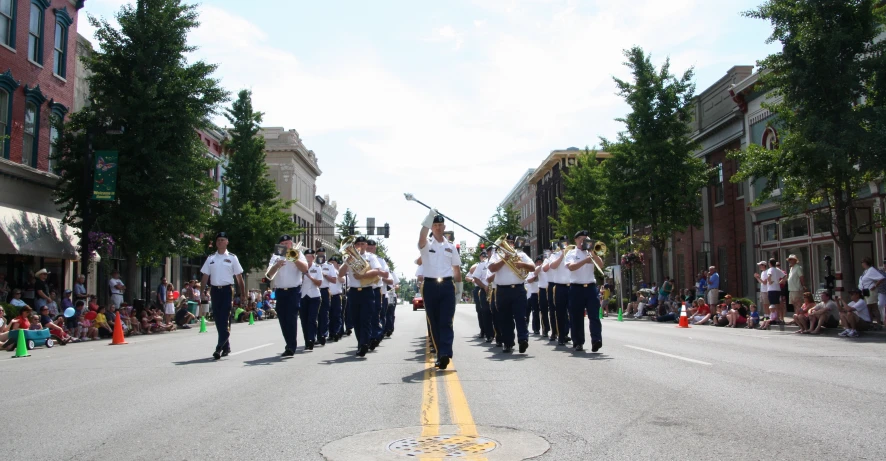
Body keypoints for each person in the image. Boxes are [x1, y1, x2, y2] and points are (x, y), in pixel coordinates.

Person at [417, 212, 462, 368]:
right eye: (434, 225)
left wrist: (460, 289)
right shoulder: (426, 244)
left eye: (440, 225)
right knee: (434, 321)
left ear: (444, 227)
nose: (437, 227)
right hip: (430, 286)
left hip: (447, 285)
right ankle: (439, 352)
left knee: (446, 321)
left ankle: (445, 353)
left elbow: (456, 269)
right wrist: (428, 218)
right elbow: (421, 237)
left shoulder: (450, 247)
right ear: (432, 227)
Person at [200, 232, 247, 360]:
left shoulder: (232, 258)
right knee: (217, 318)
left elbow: (239, 277)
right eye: (218, 240)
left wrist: (243, 294)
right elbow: (205, 277)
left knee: (224, 318)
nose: (220, 242)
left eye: (223, 240)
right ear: (216, 243)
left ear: (227, 242)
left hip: (227, 290)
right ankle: (226, 346)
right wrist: (201, 292)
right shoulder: (211, 258)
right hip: (215, 290)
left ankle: (219, 347)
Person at [488, 234, 534, 354]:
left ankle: (523, 340)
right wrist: (505, 260)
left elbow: (533, 267)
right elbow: (492, 268)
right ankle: (508, 343)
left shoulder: (521, 255)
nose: (509, 244)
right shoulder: (496, 255)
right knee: (505, 318)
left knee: (521, 317)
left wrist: (522, 264)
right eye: (507, 242)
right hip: (502, 291)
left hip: (518, 289)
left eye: (511, 242)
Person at [338, 236, 383, 358]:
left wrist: (362, 275)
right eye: (359, 244)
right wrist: (347, 262)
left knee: (365, 319)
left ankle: (364, 344)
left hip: (367, 291)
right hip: (353, 292)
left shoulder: (370, 257)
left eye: (363, 244)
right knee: (356, 320)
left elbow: (377, 271)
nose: (361, 246)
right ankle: (361, 343)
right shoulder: (349, 257)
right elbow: (340, 274)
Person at [265, 234, 309, 356]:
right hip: (279, 291)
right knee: (283, 319)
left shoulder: (297, 254)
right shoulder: (275, 256)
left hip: (293, 291)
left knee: (291, 318)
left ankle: (291, 346)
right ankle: (289, 342)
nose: (286, 246)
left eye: (288, 243)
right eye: (283, 244)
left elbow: (305, 269)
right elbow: (269, 275)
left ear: (292, 244)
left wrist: (294, 259)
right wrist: (276, 265)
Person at [565, 231, 605, 352]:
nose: (583, 242)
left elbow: (601, 265)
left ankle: (596, 340)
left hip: (591, 287)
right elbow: (571, 267)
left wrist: (593, 254)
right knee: (576, 317)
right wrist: (585, 261)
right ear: (576, 240)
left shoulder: (592, 253)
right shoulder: (571, 253)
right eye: (581, 239)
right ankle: (578, 342)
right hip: (576, 287)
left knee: (594, 316)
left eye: (586, 239)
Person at [547, 236, 572, 345]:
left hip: (572, 286)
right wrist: (562, 255)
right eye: (563, 243)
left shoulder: (573, 253)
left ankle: (571, 335)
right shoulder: (554, 255)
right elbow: (552, 266)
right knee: (560, 313)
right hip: (560, 287)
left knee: (573, 313)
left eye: (566, 242)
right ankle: (561, 335)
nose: (565, 244)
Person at [300, 249, 324, 349]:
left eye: (310, 256)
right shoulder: (300, 268)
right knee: (304, 320)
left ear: (313, 258)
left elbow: (319, 283)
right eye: (306, 256)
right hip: (303, 296)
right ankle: (307, 340)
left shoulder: (317, 268)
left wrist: (309, 277)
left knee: (312, 319)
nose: (308, 258)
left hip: (314, 296)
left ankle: (311, 339)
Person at [316, 248, 333, 344]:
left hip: (324, 291)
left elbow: (334, 280)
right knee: (315, 315)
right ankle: (314, 336)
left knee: (324, 314)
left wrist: (324, 275)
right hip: (314, 291)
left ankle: (322, 334)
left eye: (322, 254)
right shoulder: (312, 265)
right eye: (319, 254)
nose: (321, 256)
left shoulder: (329, 266)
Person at [762, 259, 785, 323]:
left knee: (772, 304)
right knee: (777, 303)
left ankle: (774, 317)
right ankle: (777, 317)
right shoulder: (778, 270)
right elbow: (785, 276)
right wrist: (780, 282)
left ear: (770, 263)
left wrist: (769, 281)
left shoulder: (770, 269)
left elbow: (769, 276)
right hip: (777, 289)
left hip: (771, 289)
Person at [326, 257, 344, 341]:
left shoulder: (338, 272)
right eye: (330, 263)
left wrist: (337, 274)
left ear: (336, 264)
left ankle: (337, 332)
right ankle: (331, 333)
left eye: (333, 262)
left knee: (336, 315)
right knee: (329, 316)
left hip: (336, 296)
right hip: (328, 296)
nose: (332, 264)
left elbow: (343, 280)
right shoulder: (326, 272)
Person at [786, 255, 806, 320]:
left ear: (795, 260)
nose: (790, 261)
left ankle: (800, 318)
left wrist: (803, 285)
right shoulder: (791, 268)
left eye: (791, 259)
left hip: (797, 289)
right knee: (794, 304)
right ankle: (796, 318)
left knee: (798, 304)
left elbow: (801, 277)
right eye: (789, 260)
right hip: (791, 289)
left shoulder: (798, 267)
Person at [526, 256, 543, 334]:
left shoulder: (543, 271)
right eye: (537, 262)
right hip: (532, 294)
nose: (539, 264)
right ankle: (527, 326)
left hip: (540, 293)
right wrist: (535, 275)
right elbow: (529, 280)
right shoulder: (532, 271)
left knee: (538, 312)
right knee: (529, 312)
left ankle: (537, 329)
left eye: (540, 262)